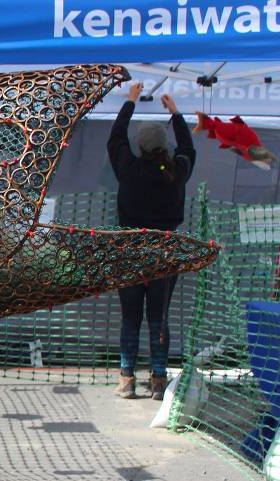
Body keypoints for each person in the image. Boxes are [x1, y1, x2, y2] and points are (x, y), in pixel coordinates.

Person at [107, 83, 196, 400]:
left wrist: (130, 101)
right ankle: (158, 380)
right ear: (164, 146)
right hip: (164, 254)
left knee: (131, 318)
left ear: (140, 146)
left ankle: (127, 379)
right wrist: (176, 113)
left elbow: (115, 138)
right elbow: (188, 147)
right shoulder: (178, 171)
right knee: (159, 318)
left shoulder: (129, 170)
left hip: (131, 253)